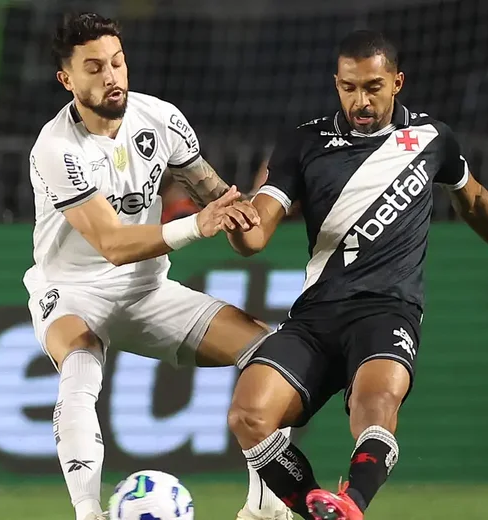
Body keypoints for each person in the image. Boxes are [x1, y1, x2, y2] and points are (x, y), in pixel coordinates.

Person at [224, 30, 488, 520]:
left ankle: (353, 503)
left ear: (397, 82)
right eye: (348, 87)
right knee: (247, 416)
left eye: (373, 87)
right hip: (316, 317)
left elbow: (475, 202)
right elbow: (255, 238)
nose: (360, 101)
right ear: (335, 83)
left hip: (387, 310)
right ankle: (319, 509)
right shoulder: (304, 142)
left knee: (377, 399)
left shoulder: (431, 138)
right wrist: (238, 226)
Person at [24, 12, 292, 520]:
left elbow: (225, 207)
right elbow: (113, 244)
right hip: (74, 290)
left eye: (118, 63)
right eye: (94, 67)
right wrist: (198, 224)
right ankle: (88, 511)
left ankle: (265, 507)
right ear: (67, 80)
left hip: (147, 292)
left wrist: (269, 199)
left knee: (275, 353)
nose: (111, 76)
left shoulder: (163, 120)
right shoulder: (56, 148)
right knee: (79, 367)